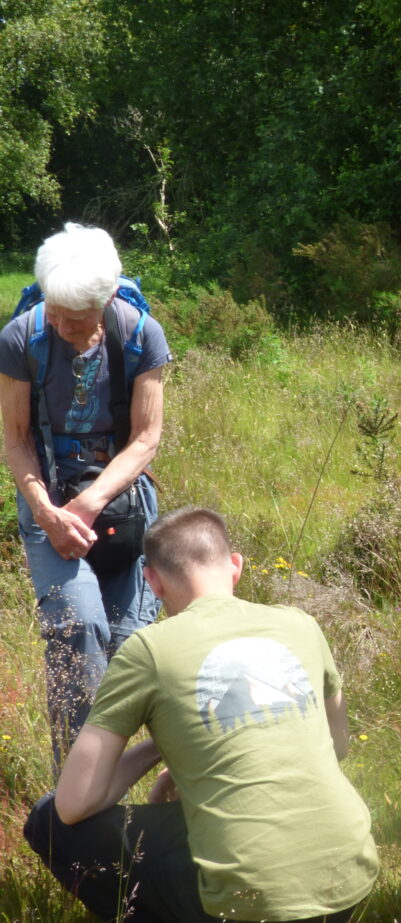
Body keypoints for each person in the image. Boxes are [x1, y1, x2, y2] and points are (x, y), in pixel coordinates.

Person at [23, 506, 379, 923]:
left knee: (48, 822)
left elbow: (72, 805)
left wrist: (161, 746)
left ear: (152, 581)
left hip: (244, 904)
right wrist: (187, 743)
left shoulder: (149, 650)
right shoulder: (302, 624)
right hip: (350, 882)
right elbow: (338, 747)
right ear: (235, 566)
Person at [0, 222, 171, 765]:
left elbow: (146, 438)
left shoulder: (141, 334)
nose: (59, 323)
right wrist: (47, 512)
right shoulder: (21, 338)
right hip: (48, 504)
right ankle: (75, 803)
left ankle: (117, 777)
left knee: (128, 646)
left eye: (74, 318)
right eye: (53, 309)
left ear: (105, 302)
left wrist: (91, 502)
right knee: (79, 631)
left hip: (121, 505)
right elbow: (16, 438)